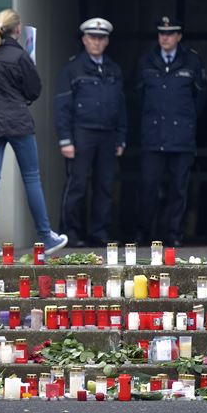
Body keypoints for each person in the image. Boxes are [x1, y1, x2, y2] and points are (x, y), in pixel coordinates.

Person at [0, 9, 68, 256]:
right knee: (31, 178)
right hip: (18, 121)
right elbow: (34, 90)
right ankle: (46, 236)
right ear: (17, 30)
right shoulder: (20, 55)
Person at [135, 16, 207, 247]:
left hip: (181, 137)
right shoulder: (146, 59)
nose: (165, 37)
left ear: (179, 36)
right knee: (148, 187)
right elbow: (138, 96)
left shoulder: (192, 61)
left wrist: (185, 121)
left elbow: (200, 99)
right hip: (153, 136)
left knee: (179, 189)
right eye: (161, 33)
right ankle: (145, 233)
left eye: (170, 33)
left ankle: (174, 234)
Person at [55, 18, 127, 247]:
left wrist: (121, 137)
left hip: (107, 135)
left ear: (106, 41)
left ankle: (100, 232)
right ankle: (70, 233)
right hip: (81, 133)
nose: (96, 42)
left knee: (105, 185)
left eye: (101, 38)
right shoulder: (72, 68)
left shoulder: (114, 69)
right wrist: (65, 139)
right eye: (92, 38)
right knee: (77, 185)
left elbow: (121, 106)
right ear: (84, 40)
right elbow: (62, 107)